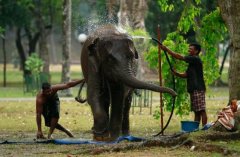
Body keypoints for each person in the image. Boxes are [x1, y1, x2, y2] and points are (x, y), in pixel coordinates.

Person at [160, 43, 207, 127]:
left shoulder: (195, 59)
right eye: (189, 49)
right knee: (196, 111)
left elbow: (179, 57)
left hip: (198, 88)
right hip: (193, 89)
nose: (189, 50)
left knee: (202, 110)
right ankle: (195, 129)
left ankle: (204, 129)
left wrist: (166, 49)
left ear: (196, 51)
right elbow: (186, 75)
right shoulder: (192, 63)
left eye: (191, 49)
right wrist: (176, 73)